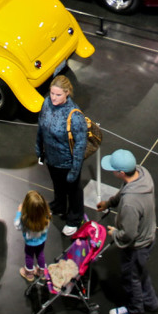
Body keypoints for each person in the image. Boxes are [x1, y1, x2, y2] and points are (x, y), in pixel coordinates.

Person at [97, 149, 158, 314]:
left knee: (131, 279)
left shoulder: (130, 203)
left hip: (137, 246)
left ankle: (135, 309)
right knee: (140, 272)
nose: (112, 172)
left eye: (113, 170)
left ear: (121, 173)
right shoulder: (142, 174)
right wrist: (109, 203)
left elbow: (129, 234)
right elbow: (124, 190)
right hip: (149, 235)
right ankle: (151, 302)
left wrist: (115, 233)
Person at [35, 75, 88, 236]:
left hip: (67, 161)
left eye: (58, 95)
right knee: (57, 185)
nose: (53, 98)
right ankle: (59, 205)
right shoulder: (46, 104)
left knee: (73, 191)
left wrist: (75, 170)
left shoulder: (75, 115)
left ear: (67, 93)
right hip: (51, 158)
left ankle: (75, 218)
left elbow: (80, 145)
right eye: (52, 93)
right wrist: (39, 149)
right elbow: (41, 127)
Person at [15, 190, 51, 281]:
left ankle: (29, 274)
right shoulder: (46, 216)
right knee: (40, 254)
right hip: (41, 240)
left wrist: (19, 212)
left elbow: (17, 225)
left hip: (30, 243)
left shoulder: (25, 219)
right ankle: (41, 272)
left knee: (29, 256)